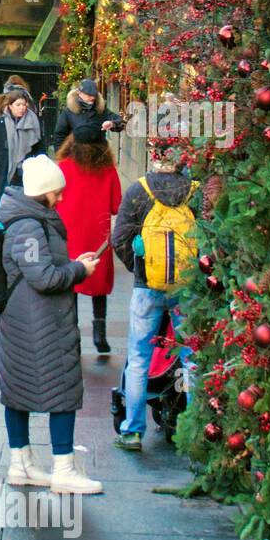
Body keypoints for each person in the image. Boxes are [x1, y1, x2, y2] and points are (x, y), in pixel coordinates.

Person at [0, 155, 103, 494]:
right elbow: (42, 277)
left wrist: (71, 263)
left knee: (18, 389)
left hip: (22, 317)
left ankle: (21, 462)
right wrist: (78, 271)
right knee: (62, 390)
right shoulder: (28, 224)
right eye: (56, 192)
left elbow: (38, 267)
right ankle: (63, 468)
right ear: (42, 192)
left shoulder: (26, 217)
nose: (60, 198)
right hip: (41, 319)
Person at [109, 142, 197, 452]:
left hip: (147, 287)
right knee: (191, 359)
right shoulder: (193, 191)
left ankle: (132, 431)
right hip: (186, 289)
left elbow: (118, 238)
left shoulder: (139, 190)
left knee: (138, 359)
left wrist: (138, 266)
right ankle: (194, 429)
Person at [56, 124, 123, 356]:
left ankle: (71, 335)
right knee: (98, 285)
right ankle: (100, 333)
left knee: (71, 281)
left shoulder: (62, 168)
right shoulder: (109, 171)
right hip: (98, 236)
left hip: (68, 232)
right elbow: (116, 206)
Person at [0, 88, 45, 212]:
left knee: (23, 207)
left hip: (25, 171)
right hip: (3, 171)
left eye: (24, 104)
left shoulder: (34, 122)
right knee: (2, 207)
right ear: (10, 106)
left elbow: (40, 149)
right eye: (18, 105)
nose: (22, 108)